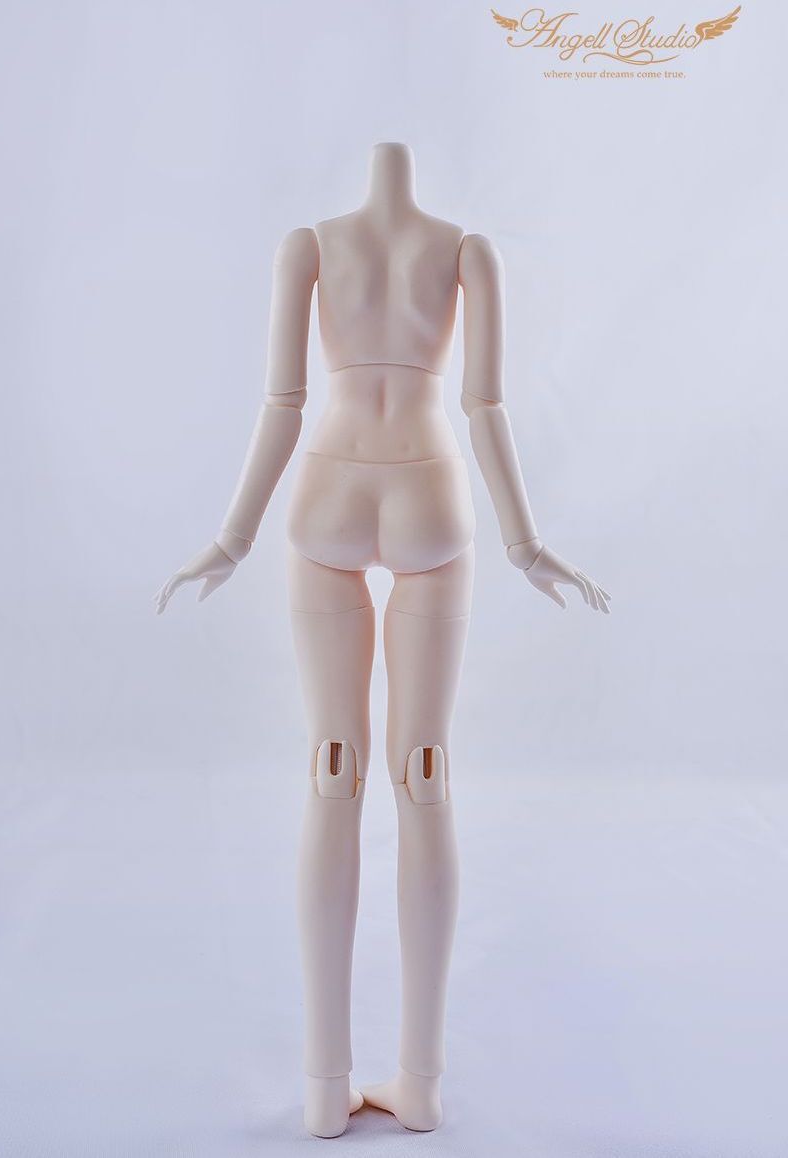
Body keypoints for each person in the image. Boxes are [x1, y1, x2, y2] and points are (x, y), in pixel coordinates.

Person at [155, 142, 609, 1138]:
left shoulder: (311, 246)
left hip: (328, 485)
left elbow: (283, 404)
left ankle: (325, 1092)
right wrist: (526, 544)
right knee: (423, 770)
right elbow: (484, 405)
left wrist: (232, 539)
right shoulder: (466, 250)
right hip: (429, 491)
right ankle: (420, 1085)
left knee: (333, 766)